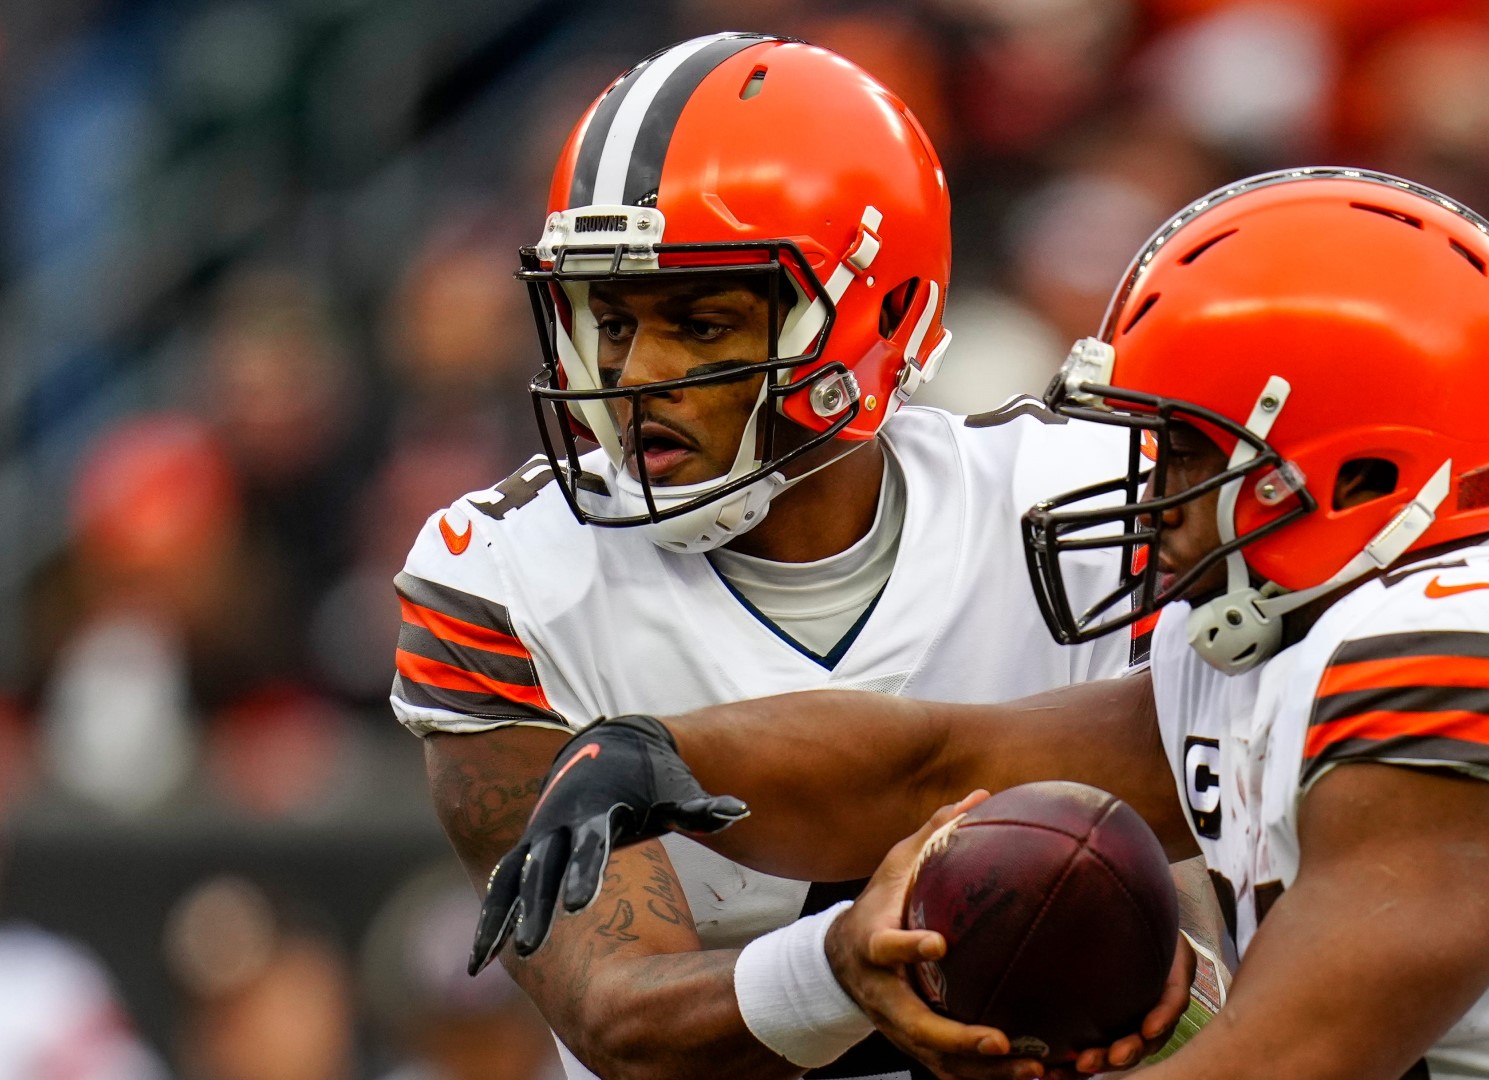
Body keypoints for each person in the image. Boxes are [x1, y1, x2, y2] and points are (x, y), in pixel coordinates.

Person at [474, 169, 1489, 1080]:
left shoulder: (1469, 659)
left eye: (1181, 451)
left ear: (1354, 467)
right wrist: (659, 756)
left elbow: (1271, 1070)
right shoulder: (1295, 639)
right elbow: (939, 764)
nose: (1145, 494)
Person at [393, 32, 1219, 1080]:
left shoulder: (1081, 504)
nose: (631, 373)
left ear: (880, 317)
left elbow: (1218, 877)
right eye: (607, 319)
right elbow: (613, 1014)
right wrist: (834, 972)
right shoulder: (504, 580)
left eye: (697, 322)